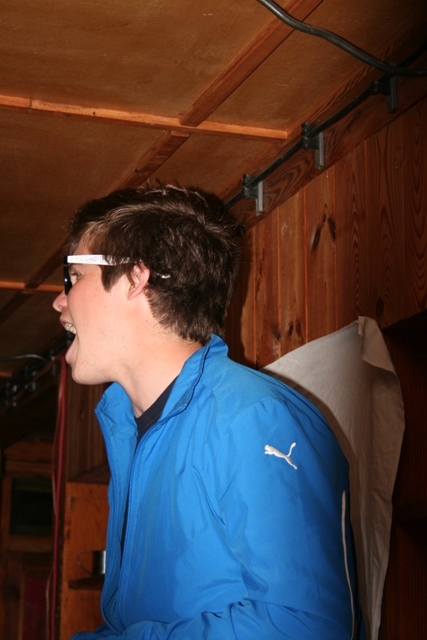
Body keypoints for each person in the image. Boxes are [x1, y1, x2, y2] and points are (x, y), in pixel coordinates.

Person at [53, 184, 362, 639]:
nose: (60, 301)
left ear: (135, 278)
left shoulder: (254, 418)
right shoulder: (130, 430)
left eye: (74, 277)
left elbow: (307, 627)